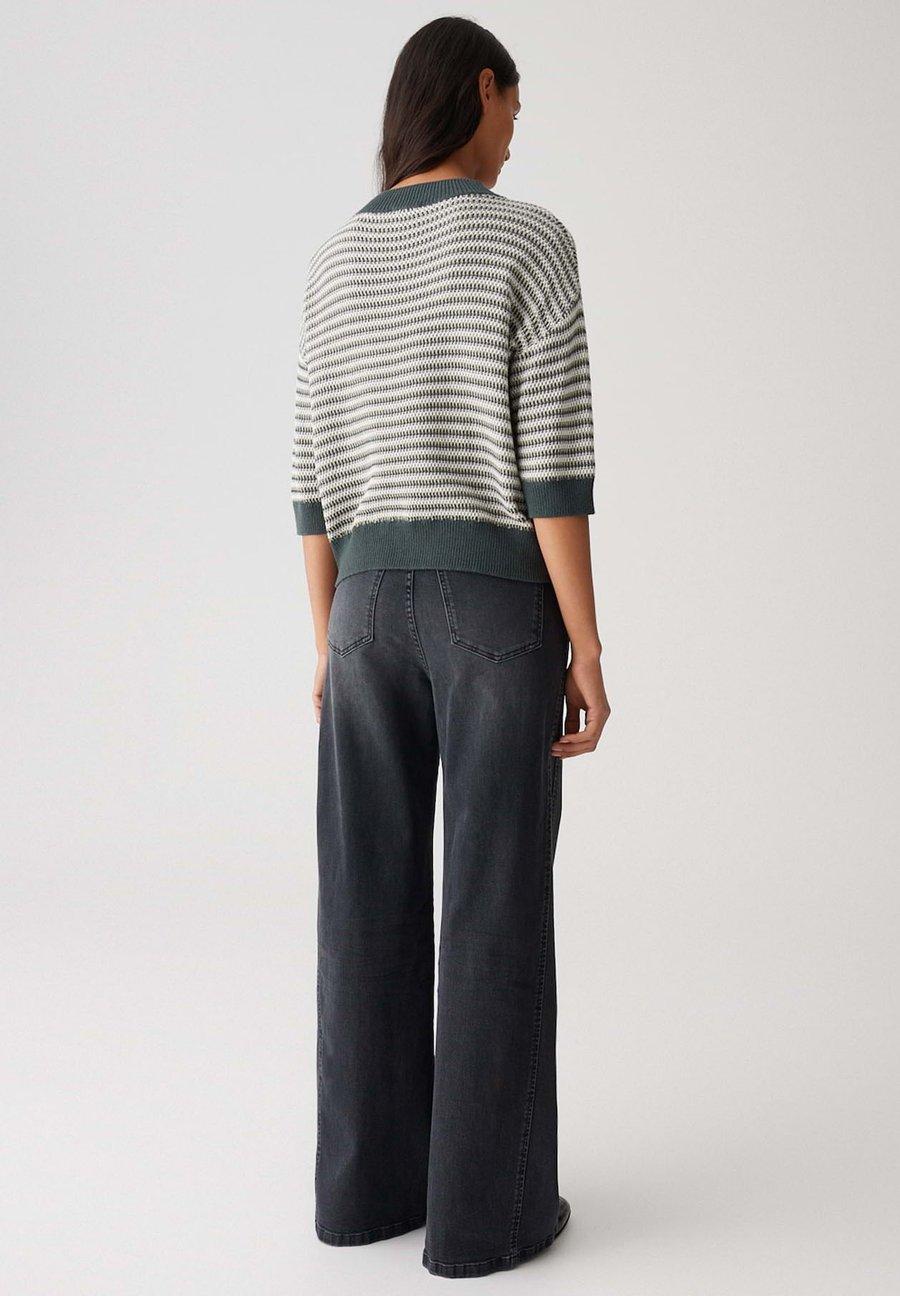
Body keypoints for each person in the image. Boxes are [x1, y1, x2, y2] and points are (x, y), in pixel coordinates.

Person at [291, 16, 610, 1279]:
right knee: (492, 905)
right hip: (493, 610)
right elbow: (555, 468)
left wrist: (327, 640)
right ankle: (489, 1218)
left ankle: (367, 1195)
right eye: (515, 107)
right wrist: (586, 642)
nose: (516, 134)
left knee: (362, 902)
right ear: (482, 88)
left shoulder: (333, 259)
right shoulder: (531, 239)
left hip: (363, 607)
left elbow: (311, 480)